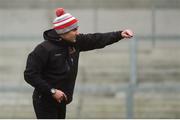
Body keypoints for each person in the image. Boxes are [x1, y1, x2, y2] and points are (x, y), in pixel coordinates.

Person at [24, 8, 133, 119]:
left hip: (62, 100)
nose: (78, 32)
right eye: (74, 30)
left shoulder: (75, 42)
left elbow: (96, 39)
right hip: (45, 101)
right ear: (63, 32)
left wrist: (119, 34)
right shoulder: (43, 49)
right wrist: (52, 91)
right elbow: (30, 75)